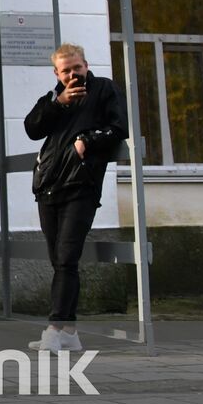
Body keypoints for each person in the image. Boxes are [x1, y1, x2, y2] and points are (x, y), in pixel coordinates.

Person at [23, 43, 128, 352]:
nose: (72, 74)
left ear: (86, 65)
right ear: (57, 73)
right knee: (59, 260)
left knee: (67, 257)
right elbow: (31, 129)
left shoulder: (104, 89)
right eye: (65, 70)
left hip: (81, 186)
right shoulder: (54, 98)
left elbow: (119, 127)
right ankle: (69, 331)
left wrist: (88, 140)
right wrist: (59, 102)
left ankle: (54, 328)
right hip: (48, 187)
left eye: (77, 68)